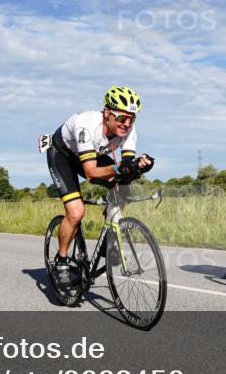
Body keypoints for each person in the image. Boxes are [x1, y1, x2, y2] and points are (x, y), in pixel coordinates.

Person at [43, 86, 154, 283]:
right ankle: (61, 260)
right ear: (107, 114)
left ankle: (109, 242)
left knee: (123, 187)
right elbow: (91, 173)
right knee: (76, 212)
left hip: (93, 155)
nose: (127, 124)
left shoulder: (129, 130)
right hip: (63, 156)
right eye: (121, 118)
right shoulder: (86, 125)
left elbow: (126, 168)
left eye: (132, 118)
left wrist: (138, 167)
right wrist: (120, 168)